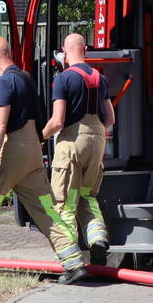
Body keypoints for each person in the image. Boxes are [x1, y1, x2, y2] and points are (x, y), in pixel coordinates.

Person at [0, 36, 87, 284]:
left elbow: (1, 125)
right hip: (33, 151)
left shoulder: (4, 82)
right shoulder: (25, 78)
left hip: (12, 151)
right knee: (45, 210)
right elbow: (16, 111)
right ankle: (74, 263)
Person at [42, 33, 115, 265]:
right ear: (85, 49)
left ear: (64, 51)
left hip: (72, 142)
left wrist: (38, 139)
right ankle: (98, 241)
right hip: (97, 140)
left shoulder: (64, 79)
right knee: (86, 196)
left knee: (65, 202)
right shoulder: (98, 77)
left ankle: (70, 261)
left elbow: (57, 121)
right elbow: (110, 118)